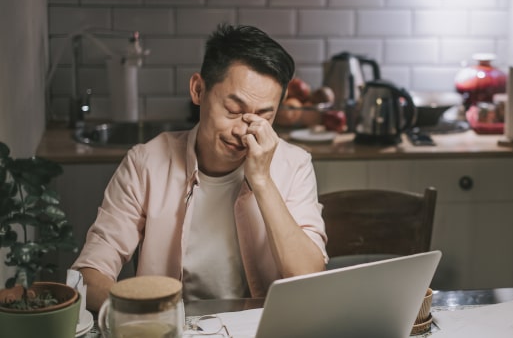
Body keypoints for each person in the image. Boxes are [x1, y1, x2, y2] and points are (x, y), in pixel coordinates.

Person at [72, 24, 327, 312]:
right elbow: (89, 276)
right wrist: (151, 319)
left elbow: (308, 278)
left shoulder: (294, 164)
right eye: (232, 110)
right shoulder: (146, 163)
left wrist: (263, 181)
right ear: (198, 90)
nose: (244, 131)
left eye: (264, 116)